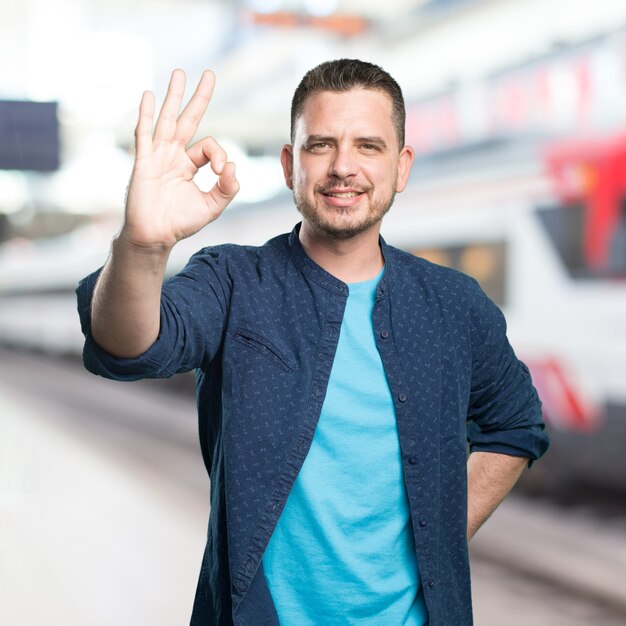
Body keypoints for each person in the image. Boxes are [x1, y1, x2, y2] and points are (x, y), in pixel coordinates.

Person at [77, 59, 549, 626]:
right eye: (320, 145)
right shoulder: (234, 282)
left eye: (368, 146)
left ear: (401, 168)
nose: (343, 167)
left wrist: (440, 535)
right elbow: (128, 348)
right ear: (289, 164)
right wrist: (143, 245)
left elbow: (515, 424)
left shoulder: (454, 305)